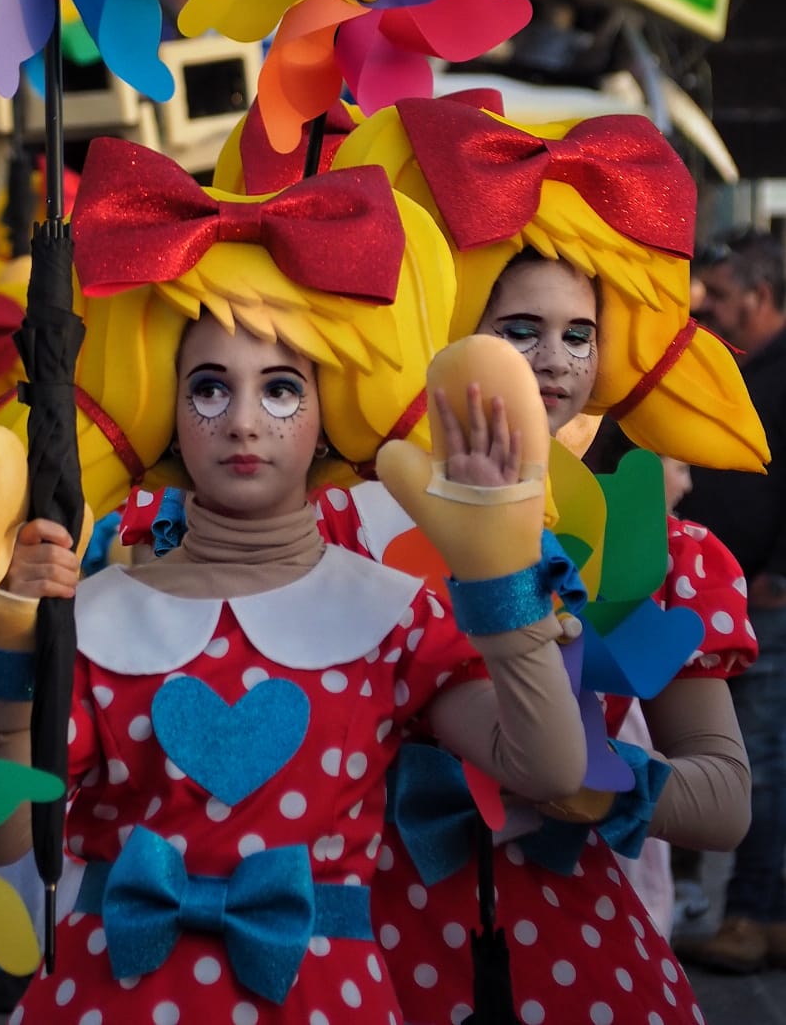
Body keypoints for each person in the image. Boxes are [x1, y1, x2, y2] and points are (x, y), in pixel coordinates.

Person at [0, 137, 601, 1025]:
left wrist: (500, 574)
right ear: (169, 414)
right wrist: (15, 642)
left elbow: (553, 768)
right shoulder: (95, 612)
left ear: (329, 410)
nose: (245, 421)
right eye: (210, 388)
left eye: (283, 389)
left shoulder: (390, 615)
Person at [330, 96, 766, 1023]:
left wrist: (598, 784)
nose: (553, 361)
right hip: (370, 945)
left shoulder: (667, 552)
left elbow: (726, 798)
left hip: (577, 949)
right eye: (519, 329)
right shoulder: (354, 527)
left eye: (579, 334)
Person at [677, 227, 786, 974]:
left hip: (767, 595)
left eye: (719, 295)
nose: (706, 305)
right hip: (732, 589)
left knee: (759, 758)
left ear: (762, 295)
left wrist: (779, 573)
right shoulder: (739, 363)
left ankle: (753, 914)